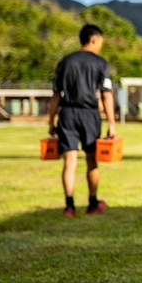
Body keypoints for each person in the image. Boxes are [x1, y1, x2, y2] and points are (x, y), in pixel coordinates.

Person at [48, 23, 117, 217]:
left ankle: (69, 206)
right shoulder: (100, 63)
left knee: (70, 162)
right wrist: (112, 124)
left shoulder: (65, 62)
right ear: (94, 40)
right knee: (91, 160)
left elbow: (56, 95)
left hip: (67, 113)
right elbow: (106, 95)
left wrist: (51, 122)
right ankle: (93, 203)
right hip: (89, 115)